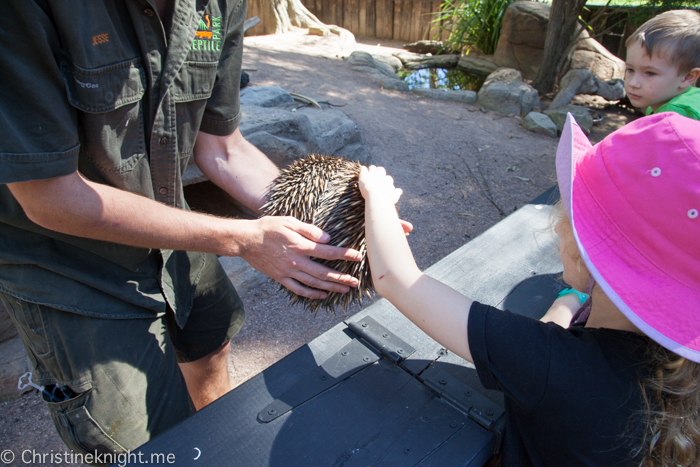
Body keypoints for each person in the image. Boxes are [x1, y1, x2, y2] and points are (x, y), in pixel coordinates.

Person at [0, 0, 364, 459]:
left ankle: (217, 450)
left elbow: (224, 151)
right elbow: (51, 198)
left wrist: (332, 214)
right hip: (65, 261)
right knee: (142, 442)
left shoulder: (219, 6)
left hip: (166, 215)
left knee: (210, 340)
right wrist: (241, 239)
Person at [358, 112, 700, 466]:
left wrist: (378, 199)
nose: (558, 228)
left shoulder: (554, 367)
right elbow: (554, 340)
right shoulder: (672, 370)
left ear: (590, 254)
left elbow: (396, 279)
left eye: (572, 214)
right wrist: (573, 299)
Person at [623, 9, 700, 119]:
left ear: (687, 77)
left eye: (650, 73)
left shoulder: (675, 113)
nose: (633, 83)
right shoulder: (692, 97)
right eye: (630, 70)